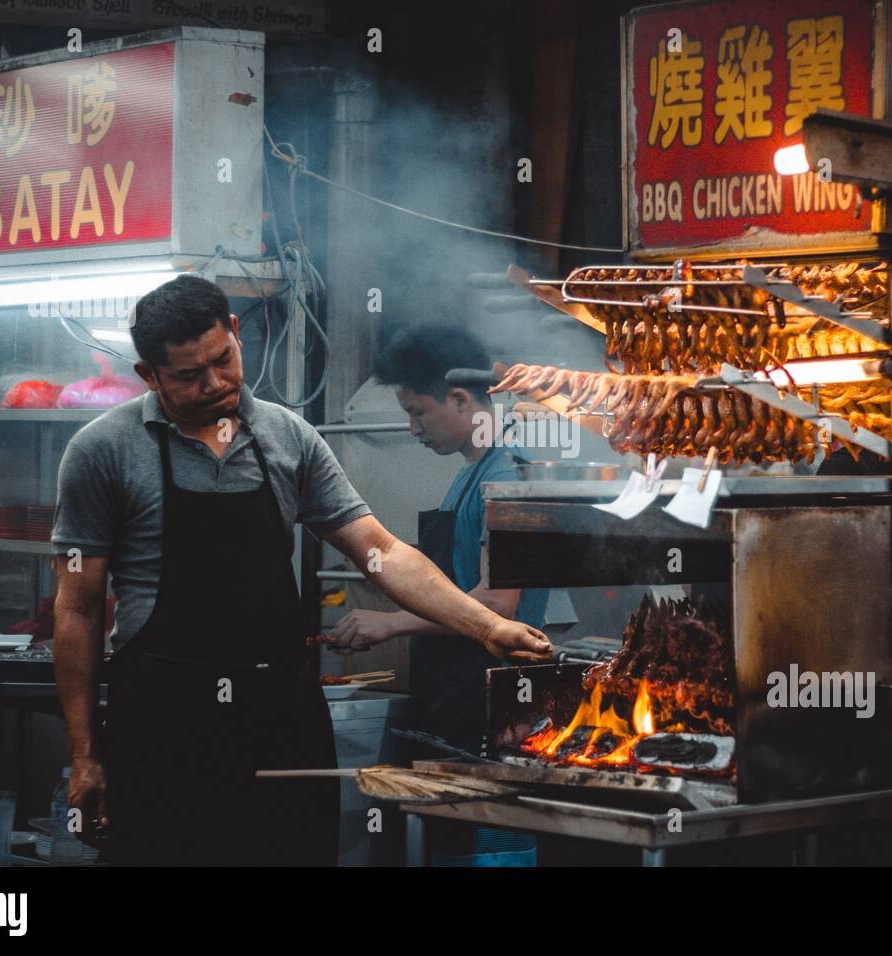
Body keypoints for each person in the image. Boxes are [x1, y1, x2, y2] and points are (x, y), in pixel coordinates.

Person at [51, 276, 551, 866]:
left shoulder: (290, 439)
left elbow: (379, 551)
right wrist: (85, 756)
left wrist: (486, 627)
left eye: (223, 360)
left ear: (235, 334)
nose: (214, 384)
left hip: (278, 716)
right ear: (149, 376)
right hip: (164, 719)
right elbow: (77, 609)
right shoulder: (102, 451)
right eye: (189, 376)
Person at [327, 325, 549, 754]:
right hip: (458, 682)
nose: (412, 429)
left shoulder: (506, 476)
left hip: (491, 688)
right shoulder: (474, 472)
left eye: (419, 412)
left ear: (461, 399)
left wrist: (391, 623)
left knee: (478, 815)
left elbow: (497, 606)